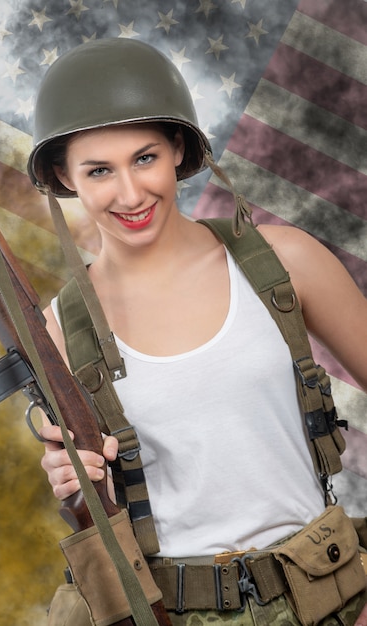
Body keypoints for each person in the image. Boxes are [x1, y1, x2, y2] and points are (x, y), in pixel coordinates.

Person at [27, 38, 367, 625]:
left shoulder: (282, 263)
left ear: (178, 146)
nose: (131, 194)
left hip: (326, 598)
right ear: (64, 176)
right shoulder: (61, 328)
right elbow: (100, 509)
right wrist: (78, 486)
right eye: (99, 171)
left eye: (144, 158)